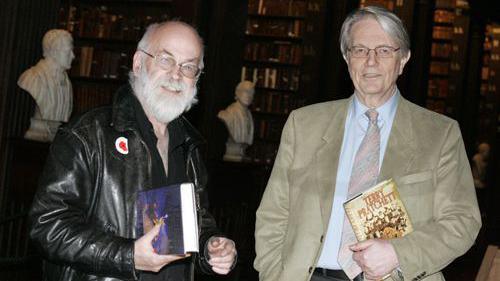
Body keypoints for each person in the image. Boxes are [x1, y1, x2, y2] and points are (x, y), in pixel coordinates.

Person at [254, 6, 480, 281]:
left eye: (384, 50)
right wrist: (272, 275)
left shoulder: (439, 134)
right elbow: (273, 214)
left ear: (404, 59)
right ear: (346, 58)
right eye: (359, 50)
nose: (370, 61)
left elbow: (462, 221)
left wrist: (400, 254)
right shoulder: (304, 125)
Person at [29, 21, 237, 281]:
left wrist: (210, 246)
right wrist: (128, 256)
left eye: (189, 67)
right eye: (165, 60)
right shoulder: (88, 134)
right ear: (138, 63)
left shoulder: (188, 145)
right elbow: (47, 226)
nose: (176, 75)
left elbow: (194, 222)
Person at [18, 29, 74, 142]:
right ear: (54, 51)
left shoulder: (67, 83)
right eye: (68, 51)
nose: (73, 56)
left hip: (55, 142)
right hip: (35, 141)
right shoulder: (32, 78)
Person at [217, 80, 255, 161]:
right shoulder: (228, 114)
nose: (249, 95)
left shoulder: (249, 114)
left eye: (252, 93)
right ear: (237, 92)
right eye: (246, 91)